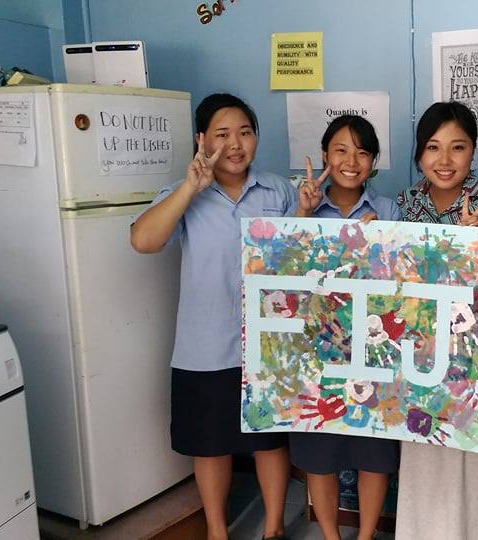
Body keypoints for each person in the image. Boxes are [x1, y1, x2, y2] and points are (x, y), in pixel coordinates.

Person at [130, 93, 296, 540]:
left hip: (269, 344)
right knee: (210, 445)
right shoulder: (182, 193)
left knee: (269, 441)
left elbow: (301, 254)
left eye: (245, 132)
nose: (235, 145)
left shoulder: (278, 191)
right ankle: (217, 531)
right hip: (204, 345)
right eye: (222, 135)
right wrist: (190, 189)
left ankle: (274, 529)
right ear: (201, 140)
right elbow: (143, 241)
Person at [394, 100, 478, 540]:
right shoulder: (405, 205)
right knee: (426, 446)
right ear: (419, 154)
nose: (444, 160)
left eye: (457, 147)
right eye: (433, 147)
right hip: (422, 356)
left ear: (473, 152)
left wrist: (472, 245)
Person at [288, 114, 400, 540]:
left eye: (363, 152)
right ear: (324, 155)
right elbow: (286, 269)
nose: (352, 162)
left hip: (373, 348)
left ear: (373, 161)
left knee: (374, 451)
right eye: (341, 150)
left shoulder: (388, 210)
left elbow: (401, 282)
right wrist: (304, 212)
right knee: (320, 450)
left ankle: (366, 534)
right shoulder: (304, 206)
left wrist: (376, 245)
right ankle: (332, 536)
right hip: (315, 349)